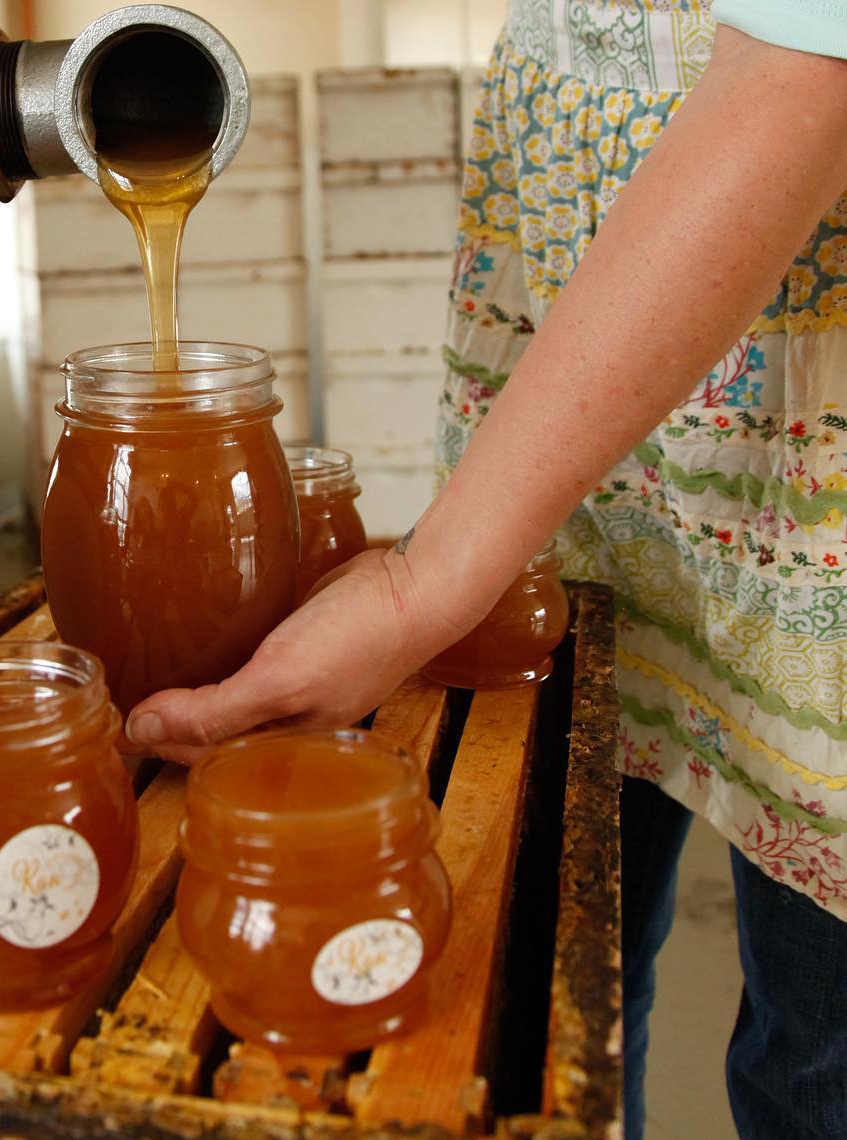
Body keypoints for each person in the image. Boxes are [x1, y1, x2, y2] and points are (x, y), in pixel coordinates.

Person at [123, 4, 847, 1138]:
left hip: (814, 463)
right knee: (565, 1020)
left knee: (815, 1067)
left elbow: (808, 70)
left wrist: (422, 587)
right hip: (573, 435)